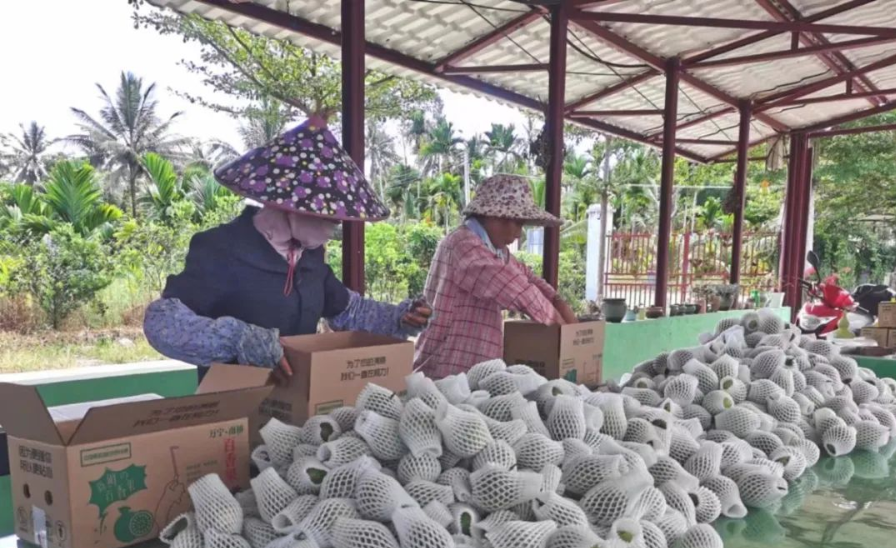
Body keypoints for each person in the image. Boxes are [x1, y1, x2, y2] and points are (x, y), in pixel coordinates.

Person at [144, 117, 431, 383]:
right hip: (233, 406)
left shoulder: (310, 258)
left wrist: (397, 318)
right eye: (325, 218)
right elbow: (163, 322)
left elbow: (348, 310)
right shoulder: (221, 248)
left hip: (294, 403)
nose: (331, 230)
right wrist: (239, 339)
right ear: (287, 207)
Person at [414, 174, 578, 379]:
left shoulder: (496, 251)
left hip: (475, 374)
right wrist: (563, 331)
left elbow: (527, 277)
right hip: (445, 371)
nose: (519, 234)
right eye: (518, 224)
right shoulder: (463, 245)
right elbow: (515, 288)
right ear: (494, 217)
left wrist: (557, 301)